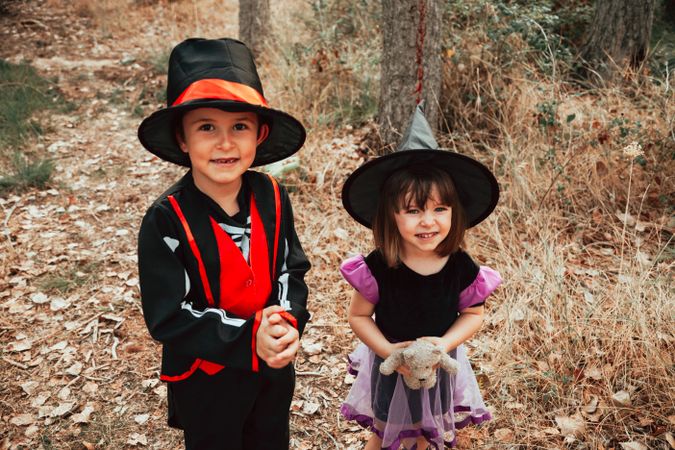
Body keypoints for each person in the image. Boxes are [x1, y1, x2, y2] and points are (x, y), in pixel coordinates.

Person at [136, 38, 310, 450]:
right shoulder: (167, 219)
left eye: (240, 127)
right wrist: (249, 337)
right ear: (182, 138)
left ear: (260, 134)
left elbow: (291, 269)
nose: (225, 142)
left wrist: (285, 322)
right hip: (205, 381)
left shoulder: (271, 195)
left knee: (270, 439)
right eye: (207, 127)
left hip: (272, 373)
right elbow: (169, 316)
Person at [339, 104, 501, 450]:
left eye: (439, 209)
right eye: (413, 211)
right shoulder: (380, 266)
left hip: (439, 366)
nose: (428, 221)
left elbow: (474, 314)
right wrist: (388, 353)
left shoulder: (459, 266)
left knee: (427, 432)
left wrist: (445, 344)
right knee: (384, 432)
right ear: (391, 217)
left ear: (455, 213)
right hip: (392, 368)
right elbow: (358, 315)